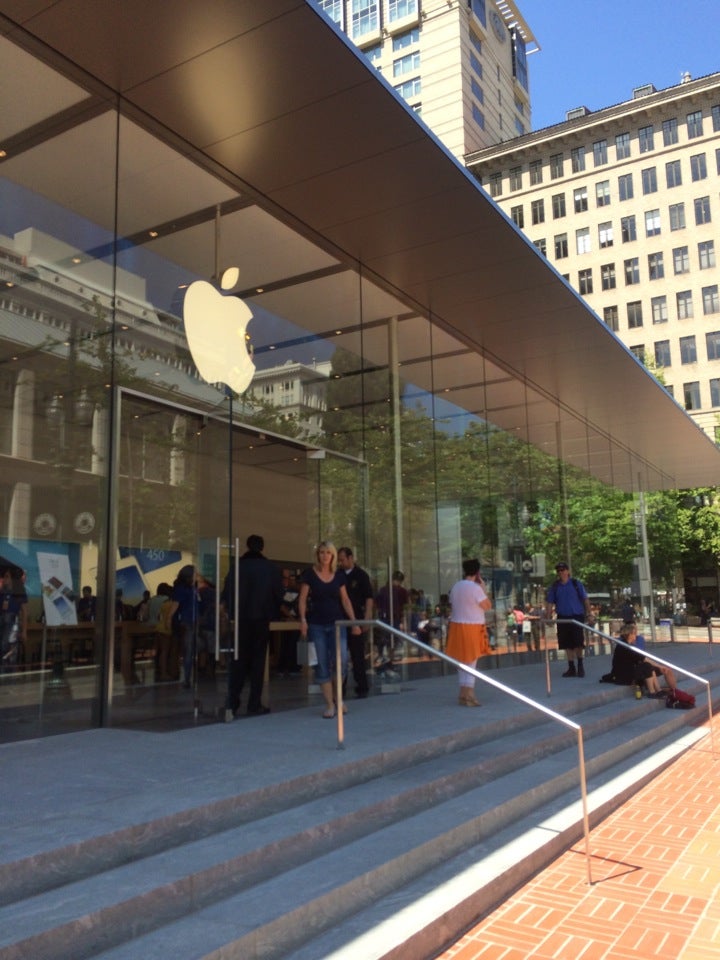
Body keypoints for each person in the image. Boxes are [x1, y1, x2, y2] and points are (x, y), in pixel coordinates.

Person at [221, 535, 283, 717]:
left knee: (238, 660)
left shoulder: (237, 567)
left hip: (241, 619)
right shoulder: (270, 568)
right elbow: (279, 594)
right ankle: (254, 703)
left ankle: (232, 701)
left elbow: (227, 592)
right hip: (261, 619)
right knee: (258, 662)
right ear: (262, 547)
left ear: (247, 546)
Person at [297, 541, 360, 719]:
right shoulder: (310, 574)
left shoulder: (339, 576)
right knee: (322, 664)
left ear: (332, 556)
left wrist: (354, 622)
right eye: (321, 552)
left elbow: (345, 600)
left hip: (337, 624)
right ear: (318, 555)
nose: (324, 555)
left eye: (328, 553)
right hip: (316, 624)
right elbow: (302, 599)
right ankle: (330, 704)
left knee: (341, 662)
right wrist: (303, 620)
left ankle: (338, 699)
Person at [445, 559, 492, 706]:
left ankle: (462, 693)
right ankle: (469, 693)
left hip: (457, 625)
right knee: (472, 660)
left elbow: (452, 603)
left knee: (461, 660)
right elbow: (486, 606)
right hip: (473, 626)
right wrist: (483, 588)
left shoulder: (456, 586)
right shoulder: (475, 588)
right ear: (477, 572)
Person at [545, 561, 594, 677]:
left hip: (576, 616)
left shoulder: (576, 584)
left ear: (568, 571)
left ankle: (580, 665)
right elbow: (550, 602)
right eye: (559, 571)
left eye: (563, 570)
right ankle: (571, 667)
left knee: (578, 642)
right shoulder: (555, 586)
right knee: (567, 643)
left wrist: (589, 613)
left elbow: (585, 599)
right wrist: (548, 616)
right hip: (563, 617)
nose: (561, 572)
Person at [337, 546, 374, 698]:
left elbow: (369, 599)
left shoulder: (361, 575)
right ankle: (340, 686)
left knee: (357, 654)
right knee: (340, 655)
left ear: (351, 558)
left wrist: (366, 619)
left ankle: (362, 685)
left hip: (357, 618)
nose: (341, 562)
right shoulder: (337, 575)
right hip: (340, 618)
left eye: (343, 559)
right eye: (339, 560)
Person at [605, 622, 677, 696]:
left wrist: (661, 667)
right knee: (647, 666)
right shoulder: (624, 646)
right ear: (629, 635)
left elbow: (640, 658)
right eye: (634, 633)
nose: (636, 635)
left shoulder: (630, 644)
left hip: (633, 670)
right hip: (624, 676)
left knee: (665, 669)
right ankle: (652, 692)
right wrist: (660, 666)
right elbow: (643, 659)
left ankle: (671, 692)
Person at [169, 564, 198, 689]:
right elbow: (175, 606)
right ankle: (187, 678)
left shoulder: (192, 589)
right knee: (188, 651)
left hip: (193, 622)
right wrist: (168, 620)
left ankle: (188, 677)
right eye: (195, 573)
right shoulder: (182, 589)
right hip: (186, 623)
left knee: (190, 650)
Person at [375, 570, 409, 668]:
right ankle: (385, 657)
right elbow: (377, 603)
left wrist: (403, 620)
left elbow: (404, 607)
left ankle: (389, 659)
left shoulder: (401, 591)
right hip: (386, 617)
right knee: (385, 639)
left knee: (392, 640)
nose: (396, 582)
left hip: (394, 618)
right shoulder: (384, 590)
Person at [0, 564, 27, 672]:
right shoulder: (2, 591)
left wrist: (24, 631)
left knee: (7, 647)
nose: (4, 579)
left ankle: (9, 675)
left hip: (12, 622)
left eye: (7, 576)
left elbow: (25, 612)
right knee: (2, 646)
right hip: (2, 620)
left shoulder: (19, 591)